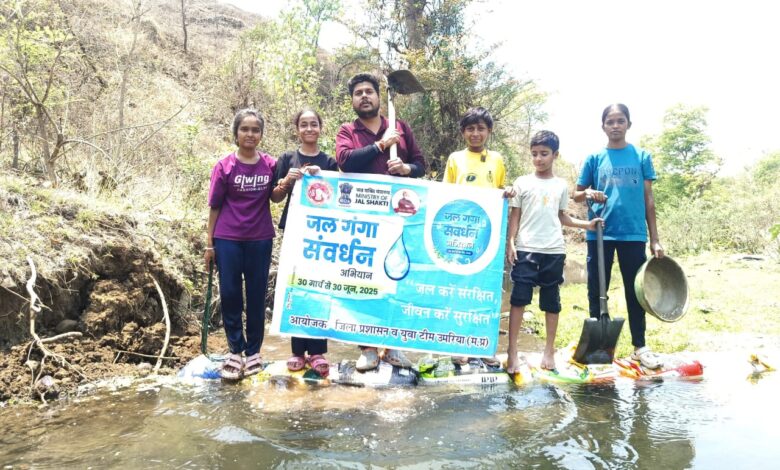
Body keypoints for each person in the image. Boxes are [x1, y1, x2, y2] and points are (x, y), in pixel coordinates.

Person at [336, 72, 427, 371]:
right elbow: (345, 161)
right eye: (358, 93)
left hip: (398, 219)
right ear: (352, 100)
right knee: (363, 281)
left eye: (369, 91)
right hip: (363, 221)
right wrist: (380, 145)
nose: (364, 96)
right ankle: (368, 348)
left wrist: (406, 168)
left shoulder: (400, 127)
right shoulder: (347, 130)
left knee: (397, 278)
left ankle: (393, 346)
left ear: (378, 96)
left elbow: (421, 165)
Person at [572, 103, 665, 369]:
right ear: (603, 126)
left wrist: (655, 238)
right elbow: (576, 194)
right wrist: (588, 193)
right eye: (610, 121)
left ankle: (639, 347)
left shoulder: (641, 156)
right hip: (600, 233)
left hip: (633, 234)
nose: (615, 126)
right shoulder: (594, 158)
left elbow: (649, 199)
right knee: (596, 290)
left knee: (635, 291)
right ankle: (598, 348)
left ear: (628, 124)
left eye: (620, 121)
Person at [505, 130, 601, 373]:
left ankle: (549, 351)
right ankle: (512, 351)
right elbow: (515, 215)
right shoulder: (522, 183)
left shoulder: (561, 185)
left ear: (555, 155)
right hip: (526, 248)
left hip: (554, 250)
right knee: (518, 299)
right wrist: (510, 242)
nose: (538, 159)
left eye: (544, 154)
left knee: (551, 301)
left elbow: (562, 216)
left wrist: (587, 225)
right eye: (534, 154)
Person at [205, 109, 278, 380]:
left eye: (255, 130)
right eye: (244, 129)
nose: (250, 134)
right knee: (230, 294)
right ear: (236, 133)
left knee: (257, 296)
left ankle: (254, 351)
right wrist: (209, 244)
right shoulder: (224, 166)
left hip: (260, 238)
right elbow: (214, 206)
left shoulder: (271, 165)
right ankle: (235, 350)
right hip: (227, 239)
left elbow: (278, 195)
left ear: (261, 134)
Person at [443, 106, 514, 366]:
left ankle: (483, 345)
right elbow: (445, 195)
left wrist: (507, 191)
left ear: (489, 131)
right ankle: (457, 344)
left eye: (481, 129)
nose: (475, 133)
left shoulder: (496, 159)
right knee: (458, 290)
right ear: (463, 132)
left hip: (488, 235)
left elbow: (500, 190)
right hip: (459, 236)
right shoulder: (455, 159)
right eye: (470, 129)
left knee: (486, 290)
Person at [272, 108, 338, 377]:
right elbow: (275, 197)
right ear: (297, 129)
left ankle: (318, 351)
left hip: (323, 233)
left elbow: (338, 196)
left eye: (313, 124)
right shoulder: (287, 158)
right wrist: (288, 180)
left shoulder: (330, 161)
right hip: (295, 229)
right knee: (296, 286)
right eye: (304, 124)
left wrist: (323, 176)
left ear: (321, 128)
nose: (309, 129)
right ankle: (297, 351)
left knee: (319, 288)